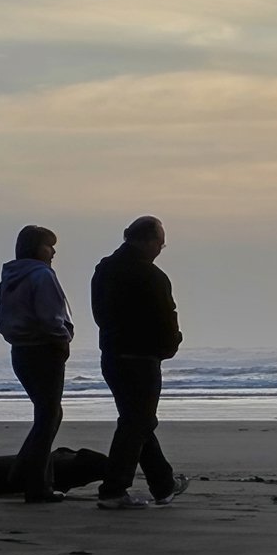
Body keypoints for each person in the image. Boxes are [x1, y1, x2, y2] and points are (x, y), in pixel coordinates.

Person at [91, 215, 189, 509]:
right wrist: (171, 346)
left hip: (112, 354)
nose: (161, 248)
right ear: (147, 240)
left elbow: (99, 314)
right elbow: (167, 318)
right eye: (160, 242)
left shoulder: (104, 269)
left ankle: (163, 483)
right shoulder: (152, 276)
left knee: (137, 421)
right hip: (141, 358)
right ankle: (114, 489)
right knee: (138, 422)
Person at [0, 224, 74, 503]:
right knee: (48, 416)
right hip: (43, 349)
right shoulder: (41, 275)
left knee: (48, 414)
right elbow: (50, 316)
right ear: (35, 248)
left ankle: (28, 475)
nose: (52, 252)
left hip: (21, 349)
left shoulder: (9, 277)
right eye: (48, 246)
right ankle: (34, 483)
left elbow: (4, 318)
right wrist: (63, 339)